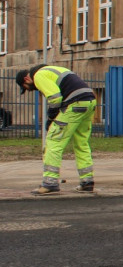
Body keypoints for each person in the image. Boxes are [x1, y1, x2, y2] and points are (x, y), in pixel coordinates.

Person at [16, 64, 98, 194]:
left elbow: (55, 98)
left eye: (26, 88)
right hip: (90, 101)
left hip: (74, 104)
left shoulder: (38, 75)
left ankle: (50, 183)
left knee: (54, 141)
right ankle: (87, 182)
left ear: (26, 79)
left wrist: (50, 119)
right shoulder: (53, 70)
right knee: (81, 143)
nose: (30, 90)